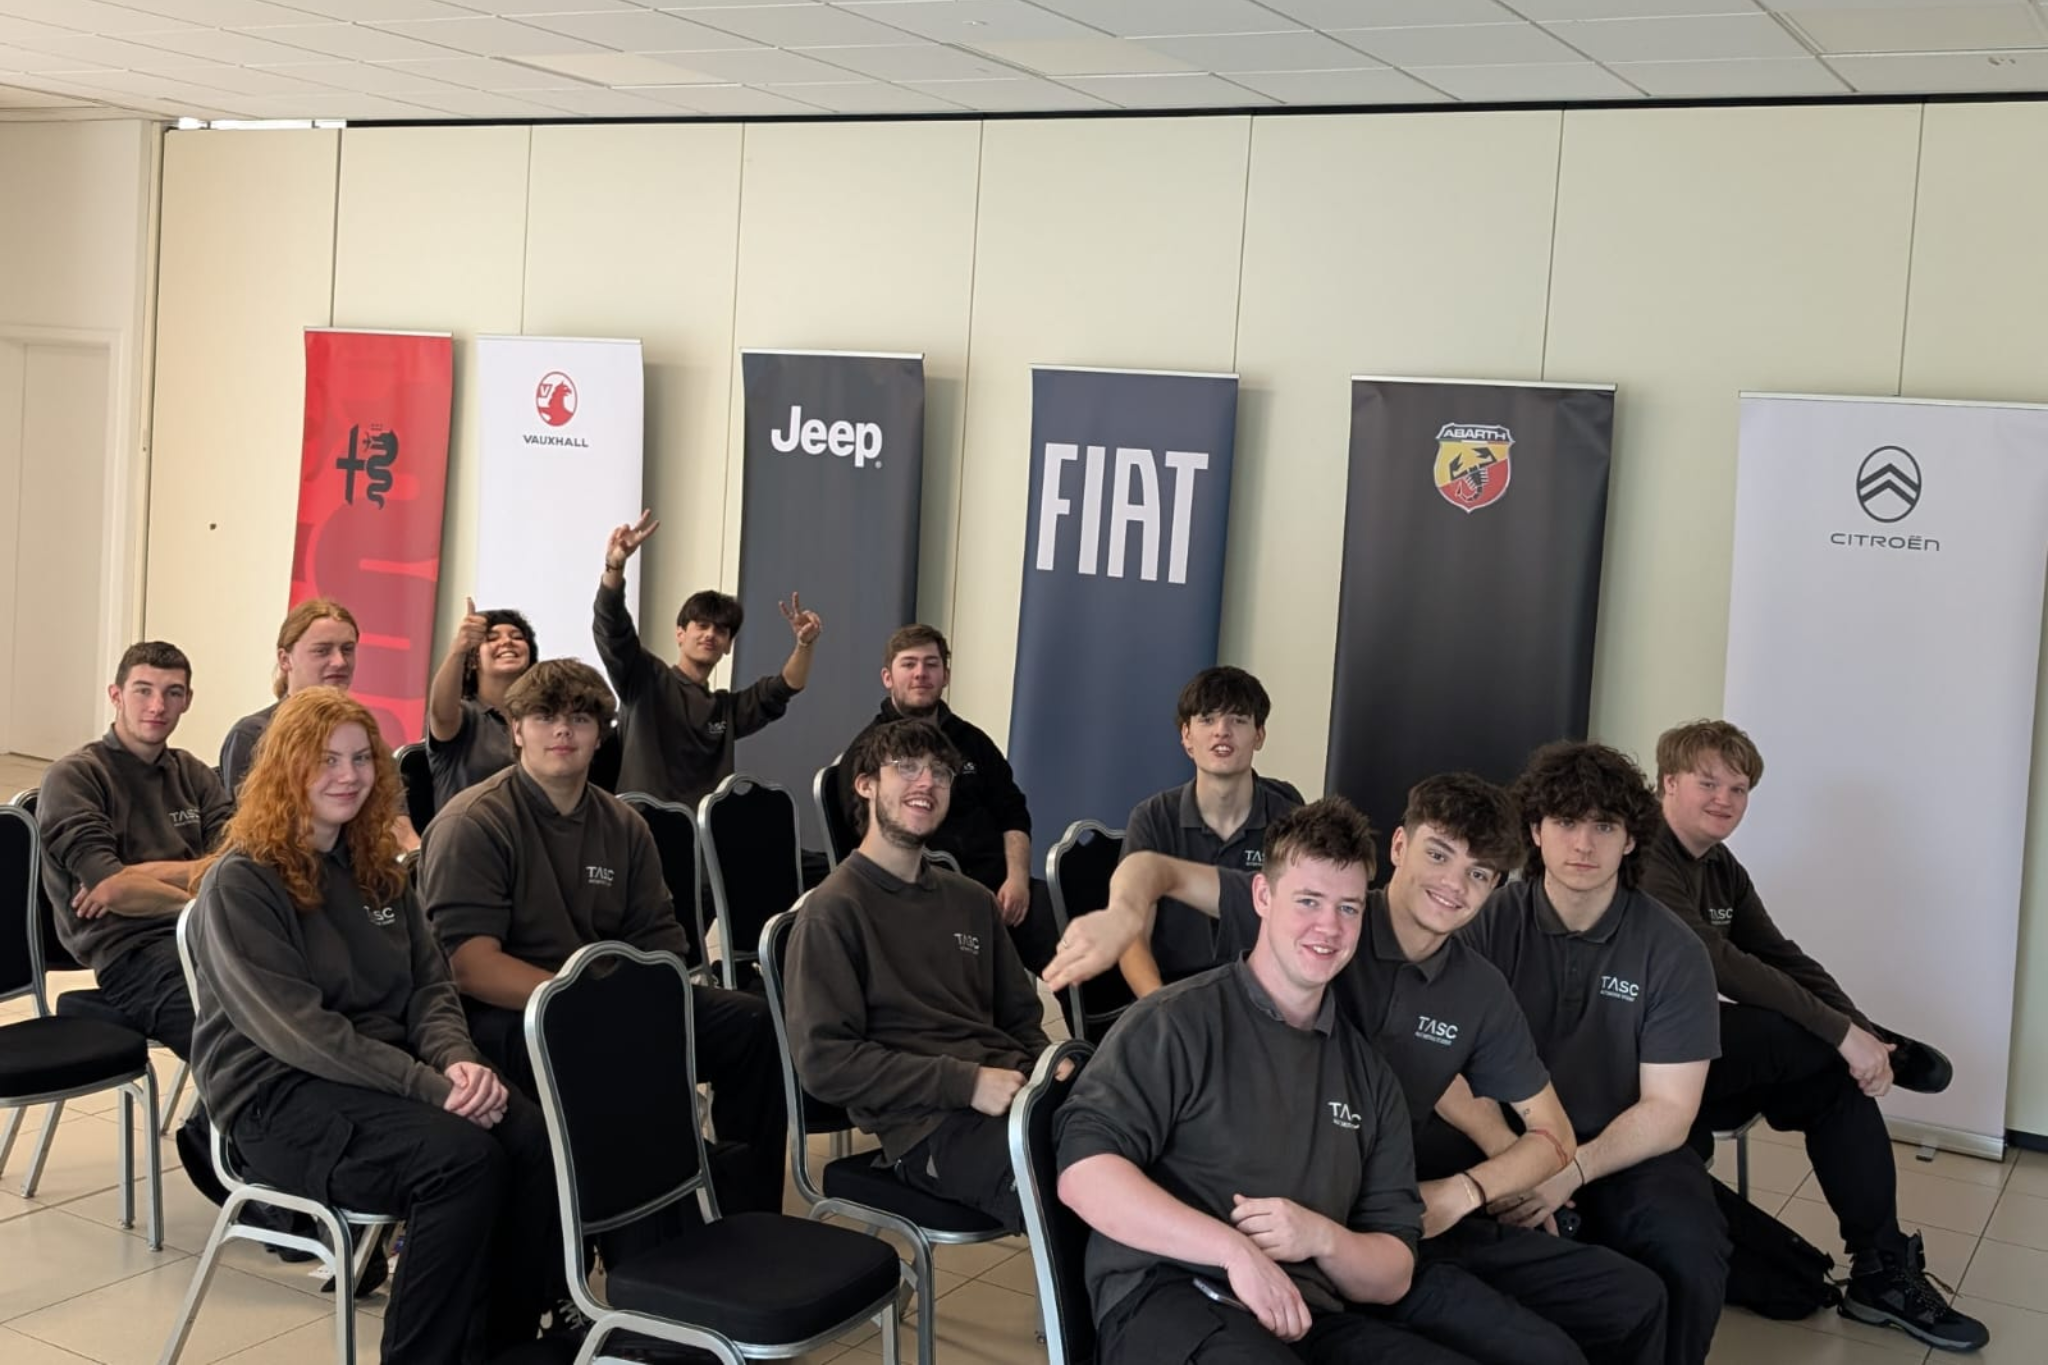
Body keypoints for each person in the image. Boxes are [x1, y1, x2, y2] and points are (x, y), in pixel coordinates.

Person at [1051, 775, 1668, 1365]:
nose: (1454, 883)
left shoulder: (1410, 1040)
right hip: (1206, 1277)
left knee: (1589, 1328)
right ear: (1399, 847)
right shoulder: (1208, 1001)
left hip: (1380, 1225)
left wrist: (1461, 1194)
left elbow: (1548, 1137)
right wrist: (1123, 916)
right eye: (1439, 855)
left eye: (1478, 872)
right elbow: (1151, 868)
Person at [185, 687, 559, 1364]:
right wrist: (431, 1086)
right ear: (287, 767)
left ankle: (502, 1343)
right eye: (326, 759)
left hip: (380, 1074)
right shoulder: (242, 882)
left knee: (527, 1133)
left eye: (362, 758)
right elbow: (303, 1033)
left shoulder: (377, 871)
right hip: (277, 1098)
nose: (349, 775)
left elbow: (430, 987)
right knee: (461, 1161)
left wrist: (457, 1061)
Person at [1056, 798, 1451, 1363]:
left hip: (1307, 1315)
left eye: (1348, 909)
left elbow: (1392, 1272)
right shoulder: (1176, 1022)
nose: (1328, 927)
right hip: (1172, 1299)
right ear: (1262, 897)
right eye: (1308, 901)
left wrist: (1321, 1237)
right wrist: (1234, 1253)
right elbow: (1084, 1177)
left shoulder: (1369, 1076)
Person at [1641, 719, 1987, 1353]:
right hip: (1640, 1068)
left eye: (1739, 788)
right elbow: (1716, 962)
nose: (1725, 799)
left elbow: (1778, 953)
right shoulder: (1644, 856)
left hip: (1698, 1062)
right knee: (1799, 1037)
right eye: (1708, 782)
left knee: (1833, 1073)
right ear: (1669, 783)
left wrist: (1854, 1028)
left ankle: (1881, 1271)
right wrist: (1840, 1034)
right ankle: (1875, 1053)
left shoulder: (1721, 867)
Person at [419, 658, 786, 1215]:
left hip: (606, 995)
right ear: (516, 730)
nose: (562, 730)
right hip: (504, 1015)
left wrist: (623, 996)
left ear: (600, 734)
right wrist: (586, 1001)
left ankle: (748, 1213)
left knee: (752, 1024)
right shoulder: (474, 822)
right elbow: (470, 965)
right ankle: (641, 1212)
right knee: (610, 1044)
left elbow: (663, 942)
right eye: (544, 717)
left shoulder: (624, 825)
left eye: (580, 718)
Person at [1448, 742, 1726, 1365]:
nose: (1583, 845)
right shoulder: (1486, 923)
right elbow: (1438, 1064)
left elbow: (1669, 1110)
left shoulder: (1674, 951)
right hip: (1502, 1131)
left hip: (1624, 1145)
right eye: (1566, 823)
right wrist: (1512, 1156)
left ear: (1630, 841)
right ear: (1535, 832)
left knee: (1689, 1253)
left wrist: (1568, 1172)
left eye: (1604, 826)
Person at [787, 718, 1050, 1231]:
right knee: (1081, 1194)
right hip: (929, 1127)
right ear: (866, 785)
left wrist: (1047, 1068)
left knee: (1149, 1156)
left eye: (940, 772)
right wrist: (965, 1082)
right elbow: (826, 1062)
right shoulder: (834, 911)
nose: (926, 782)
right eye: (906, 767)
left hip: (1015, 1096)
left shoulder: (972, 900)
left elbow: (1021, 1017)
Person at [36, 641, 232, 1199]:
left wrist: (144, 876)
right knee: (239, 1031)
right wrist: (200, 887)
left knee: (309, 1004)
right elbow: (112, 890)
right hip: (132, 956)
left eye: (172, 693)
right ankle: (240, 1170)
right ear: (116, 695)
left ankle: (231, 1141)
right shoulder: (77, 776)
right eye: (143, 690)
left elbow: (239, 864)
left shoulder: (192, 773)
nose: (157, 706)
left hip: (205, 935)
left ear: (188, 700)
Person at [834, 623, 1059, 972]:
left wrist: (1017, 879)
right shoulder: (869, 752)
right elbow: (867, 838)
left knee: (1078, 942)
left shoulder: (974, 742)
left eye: (931, 664)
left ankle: (1104, 1025)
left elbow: (1012, 814)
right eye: (909, 664)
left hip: (1001, 888)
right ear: (887, 677)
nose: (921, 673)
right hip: (920, 897)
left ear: (946, 675)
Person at [593, 509, 820, 807]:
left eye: (721, 630)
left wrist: (805, 644)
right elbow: (612, 629)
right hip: (642, 831)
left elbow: (785, 687)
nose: (710, 634)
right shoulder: (645, 679)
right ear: (680, 634)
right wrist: (614, 566)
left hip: (705, 841)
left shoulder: (725, 710)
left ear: (728, 645)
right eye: (701, 625)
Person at [1116, 665, 1302, 995]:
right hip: (1175, 993)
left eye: (1238, 720)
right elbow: (1131, 939)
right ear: (1186, 736)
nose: (1222, 731)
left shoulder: (1290, 819)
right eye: (1207, 720)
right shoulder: (1152, 819)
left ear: (1259, 735)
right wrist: (1162, 1009)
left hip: (1264, 994)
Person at [219, 597, 418, 849]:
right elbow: (254, 832)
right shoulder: (253, 734)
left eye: (347, 649)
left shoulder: (366, 736)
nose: (340, 662)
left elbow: (398, 828)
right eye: (322, 651)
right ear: (285, 659)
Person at [425, 598, 536, 812]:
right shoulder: (464, 715)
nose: (507, 642)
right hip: (469, 838)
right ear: (473, 660)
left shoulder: (541, 720)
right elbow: (440, 715)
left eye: (517, 637)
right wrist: (459, 649)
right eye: (492, 638)